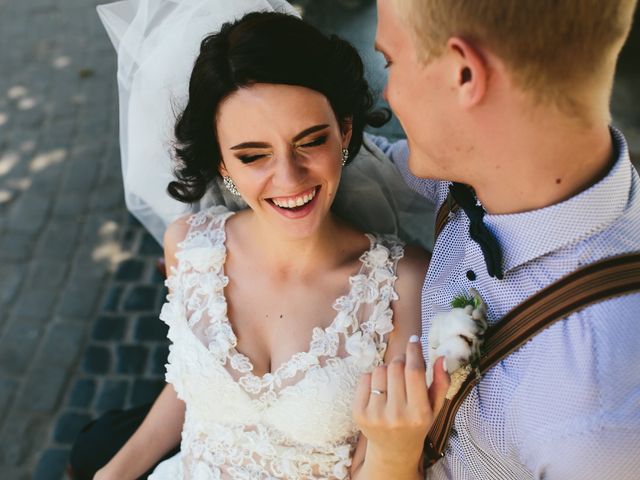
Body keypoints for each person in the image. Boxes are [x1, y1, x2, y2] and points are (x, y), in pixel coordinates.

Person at [73, 7, 454, 480]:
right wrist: (113, 473)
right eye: (253, 155)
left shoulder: (403, 285)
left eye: (311, 141)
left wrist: (398, 450)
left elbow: (383, 464)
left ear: (346, 132)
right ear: (222, 164)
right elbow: (188, 387)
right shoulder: (189, 249)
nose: (288, 178)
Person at [373, 0, 640, 478]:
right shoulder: (496, 166)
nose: (388, 91)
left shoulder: (598, 424)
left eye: (390, 61)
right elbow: (372, 167)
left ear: (464, 74)